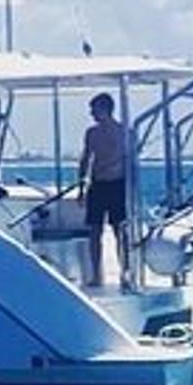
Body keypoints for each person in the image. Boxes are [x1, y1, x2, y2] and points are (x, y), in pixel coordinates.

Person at [77, 92, 129, 287]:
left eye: (94, 109)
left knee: (120, 231)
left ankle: (125, 272)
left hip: (117, 185)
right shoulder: (91, 133)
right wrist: (82, 187)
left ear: (105, 109)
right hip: (97, 185)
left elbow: (130, 161)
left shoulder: (123, 131)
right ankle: (97, 275)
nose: (92, 113)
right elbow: (85, 159)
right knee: (94, 231)